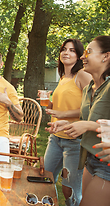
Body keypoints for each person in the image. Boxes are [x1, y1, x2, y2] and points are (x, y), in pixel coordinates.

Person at [48, 36, 110, 206]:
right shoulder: (90, 89)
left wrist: (87, 125)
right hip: (90, 158)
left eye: (88, 52)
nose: (83, 56)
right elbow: (86, 119)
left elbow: (89, 123)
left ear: (106, 56)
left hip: (106, 164)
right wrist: (68, 124)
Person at [40, 39, 91, 206]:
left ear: (79, 55)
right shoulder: (62, 78)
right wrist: (46, 99)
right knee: (45, 179)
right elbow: (56, 106)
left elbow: (92, 107)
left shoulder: (82, 75)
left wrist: (64, 114)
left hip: (74, 140)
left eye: (72, 50)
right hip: (55, 138)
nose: (66, 53)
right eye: (64, 49)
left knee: (69, 189)